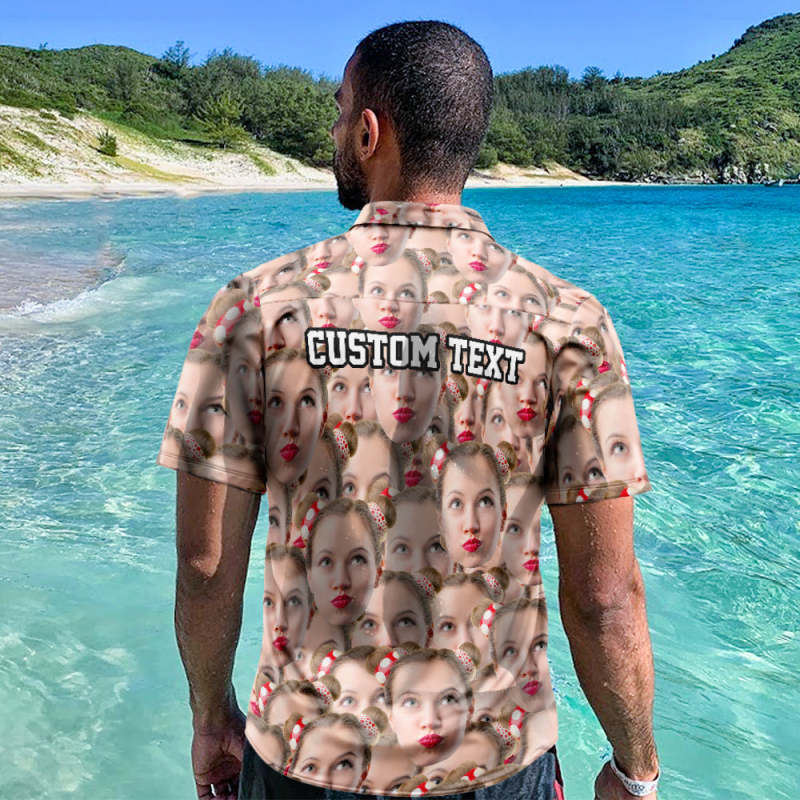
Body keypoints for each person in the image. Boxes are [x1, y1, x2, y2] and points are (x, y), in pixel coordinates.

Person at [158, 19, 659, 800]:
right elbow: (605, 595)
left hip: (302, 760)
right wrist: (635, 767)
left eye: (338, 113)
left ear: (369, 132)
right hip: (493, 763)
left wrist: (210, 716)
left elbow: (205, 565)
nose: (334, 132)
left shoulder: (254, 309)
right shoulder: (567, 322)